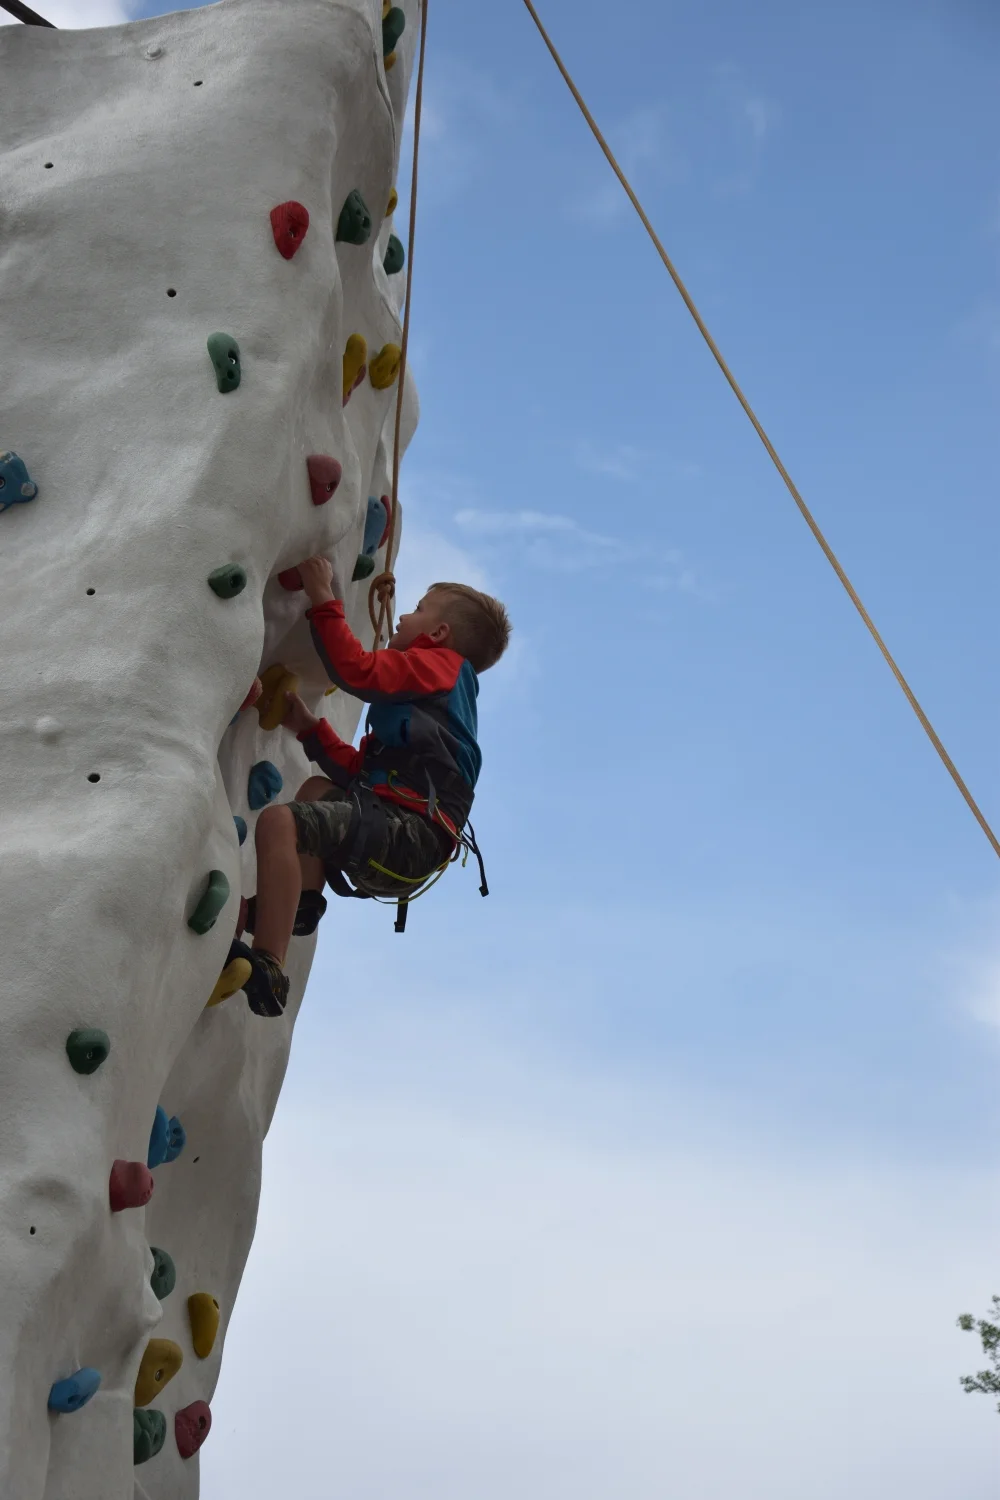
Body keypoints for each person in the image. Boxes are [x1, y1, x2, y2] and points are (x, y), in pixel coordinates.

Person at [241, 555, 511, 1017]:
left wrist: (321, 593)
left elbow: (357, 671)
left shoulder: (439, 666)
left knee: (279, 822)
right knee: (314, 791)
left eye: (420, 608)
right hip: (401, 836)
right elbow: (358, 776)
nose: (403, 614)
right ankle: (300, 905)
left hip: (403, 833)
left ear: (438, 634)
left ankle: (269, 965)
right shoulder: (437, 702)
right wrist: (310, 729)